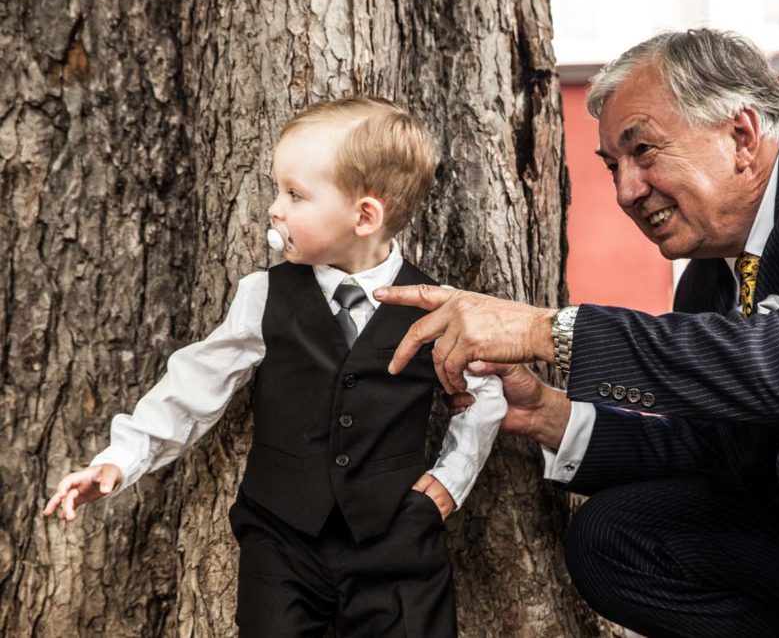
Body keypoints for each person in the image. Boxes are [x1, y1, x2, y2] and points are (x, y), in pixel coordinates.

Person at [375, 29, 779, 637]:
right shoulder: (710, 281)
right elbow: (715, 446)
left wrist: (547, 330)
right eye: (611, 165)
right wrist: (551, 415)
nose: (627, 190)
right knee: (615, 535)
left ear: (741, 134)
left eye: (643, 150)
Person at [42, 96, 507, 637]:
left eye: (295, 195)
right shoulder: (264, 294)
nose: (274, 209)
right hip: (281, 541)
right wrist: (123, 457)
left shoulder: (437, 305)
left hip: (397, 541)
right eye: (277, 190)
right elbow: (198, 381)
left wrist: (448, 483)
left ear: (364, 216)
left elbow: (484, 395)